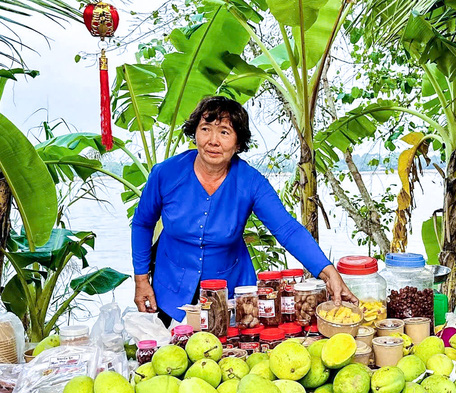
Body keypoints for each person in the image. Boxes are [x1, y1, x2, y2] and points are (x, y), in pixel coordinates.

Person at [131, 96, 357, 324]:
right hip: (169, 290)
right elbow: (142, 223)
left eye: (224, 132)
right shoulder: (165, 173)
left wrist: (328, 272)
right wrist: (141, 280)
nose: (213, 141)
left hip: (233, 295)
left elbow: (287, 230)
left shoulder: (251, 182)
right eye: (205, 129)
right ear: (195, 133)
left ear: (238, 143)